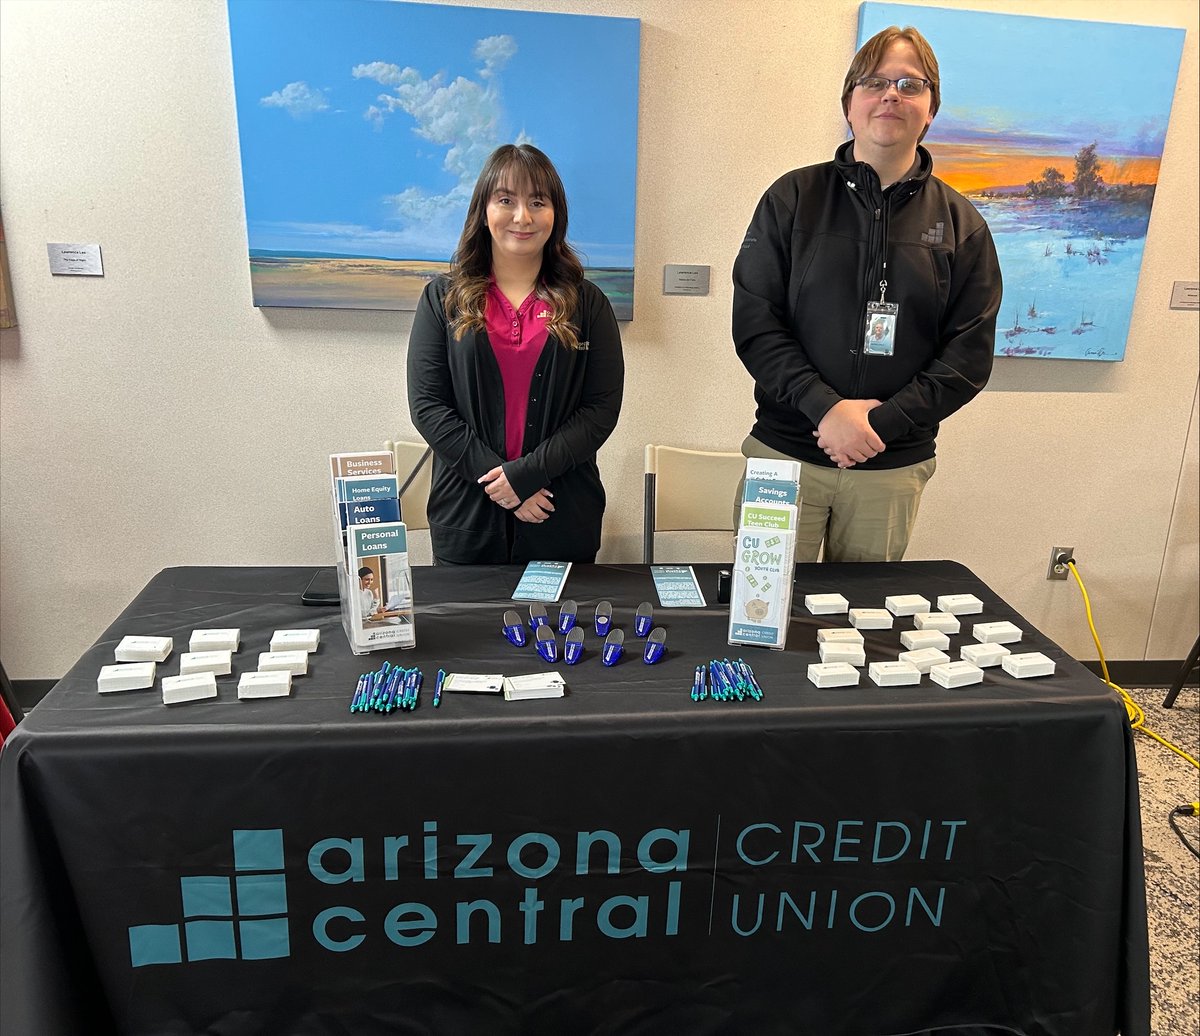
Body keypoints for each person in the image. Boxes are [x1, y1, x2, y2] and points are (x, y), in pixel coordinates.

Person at [732, 25, 1001, 562]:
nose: (892, 95)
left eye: (911, 84)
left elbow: (968, 357)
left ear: (931, 110)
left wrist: (878, 425)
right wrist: (825, 410)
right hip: (786, 452)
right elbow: (757, 324)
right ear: (850, 103)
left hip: (891, 464)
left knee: (861, 628)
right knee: (761, 621)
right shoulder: (792, 199)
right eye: (876, 82)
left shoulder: (962, 224)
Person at [407, 144, 624, 565]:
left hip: (560, 513)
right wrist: (502, 483)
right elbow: (428, 406)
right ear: (483, 209)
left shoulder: (587, 303)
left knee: (561, 631)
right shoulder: (442, 299)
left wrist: (526, 477)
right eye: (506, 200)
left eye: (537, 202)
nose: (522, 216)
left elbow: (601, 409)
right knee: (466, 630)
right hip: (466, 513)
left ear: (554, 214)